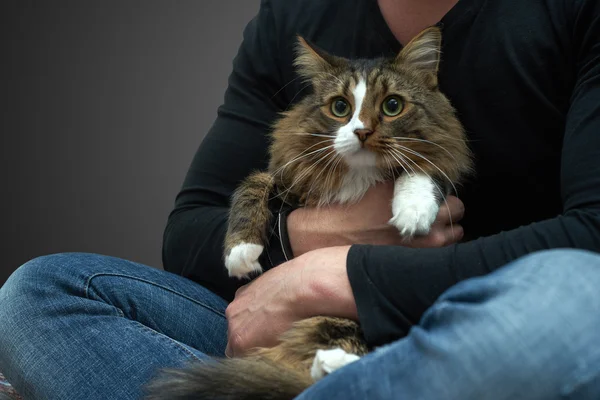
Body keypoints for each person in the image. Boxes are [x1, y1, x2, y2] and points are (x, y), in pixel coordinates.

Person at [2, 0, 600, 398]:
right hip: (287, 338)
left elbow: (593, 237)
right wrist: (308, 241)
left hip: (477, 337)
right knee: (41, 294)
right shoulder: (294, 13)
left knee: (574, 301)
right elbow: (190, 235)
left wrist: (339, 276)